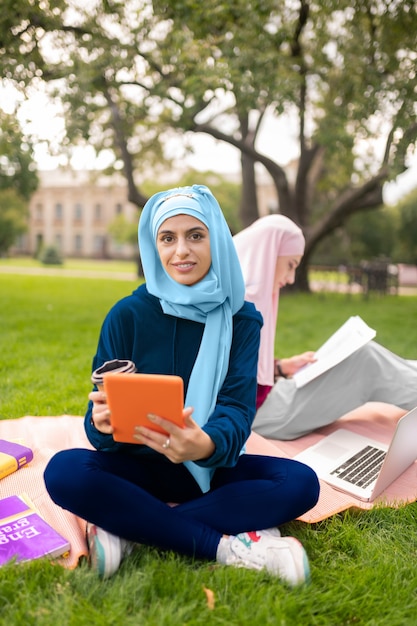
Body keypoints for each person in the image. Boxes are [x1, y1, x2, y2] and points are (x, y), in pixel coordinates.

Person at [44, 185, 319, 585]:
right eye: (167, 238)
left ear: (217, 239)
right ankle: (228, 549)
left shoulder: (242, 319)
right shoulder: (127, 315)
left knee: (301, 483)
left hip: (210, 470)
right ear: (153, 245)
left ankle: (132, 535)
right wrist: (100, 425)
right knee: (64, 471)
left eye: (195, 235)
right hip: (137, 466)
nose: (181, 251)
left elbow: (237, 408)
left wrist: (205, 445)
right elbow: (99, 419)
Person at [233, 214, 417, 441]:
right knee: (365, 359)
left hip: (269, 397)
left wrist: (281, 366)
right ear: (267, 257)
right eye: (290, 265)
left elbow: (238, 367)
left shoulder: (242, 301)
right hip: (260, 413)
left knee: (375, 358)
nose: (291, 279)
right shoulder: (236, 307)